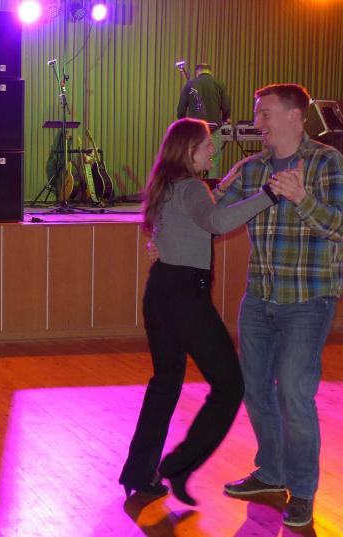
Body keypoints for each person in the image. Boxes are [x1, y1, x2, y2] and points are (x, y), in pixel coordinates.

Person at [119, 118, 277, 506]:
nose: (213, 150)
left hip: (160, 291)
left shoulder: (167, 184)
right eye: (207, 145)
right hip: (186, 298)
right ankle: (178, 466)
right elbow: (216, 222)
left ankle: (139, 472)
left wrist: (225, 188)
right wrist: (269, 194)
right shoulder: (190, 187)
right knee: (229, 386)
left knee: (165, 382)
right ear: (189, 150)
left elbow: (194, 218)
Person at [221, 84, 343, 528]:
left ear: (295, 115)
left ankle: (303, 491)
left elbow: (340, 227)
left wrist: (301, 199)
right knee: (255, 390)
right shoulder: (252, 168)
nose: (258, 123)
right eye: (258, 114)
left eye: (265, 114)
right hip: (259, 299)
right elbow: (215, 216)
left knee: (293, 392)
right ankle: (271, 473)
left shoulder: (327, 163)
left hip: (308, 300)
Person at [177, 63, 231, 182]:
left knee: (192, 159)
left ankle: (192, 187)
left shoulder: (190, 84)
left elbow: (181, 109)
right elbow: (226, 106)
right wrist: (226, 117)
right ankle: (211, 189)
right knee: (214, 160)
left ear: (197, 72)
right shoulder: (219, 84)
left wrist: (183, 124)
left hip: (195, 129)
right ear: (210, 72)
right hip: (215, 127)